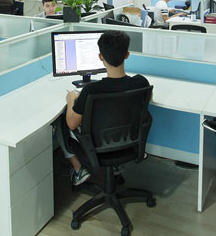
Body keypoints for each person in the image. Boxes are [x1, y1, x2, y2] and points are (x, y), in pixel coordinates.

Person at [59, 30, 151, 185]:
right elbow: (148, 98)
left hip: (97, 147)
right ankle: (115, 168)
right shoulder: (141, 82)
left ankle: (78, 169)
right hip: (129, 143)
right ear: (127, 55)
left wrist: (71, 100)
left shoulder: (91, 90)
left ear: (100, 57)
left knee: (62, 120)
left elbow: (72, 124)